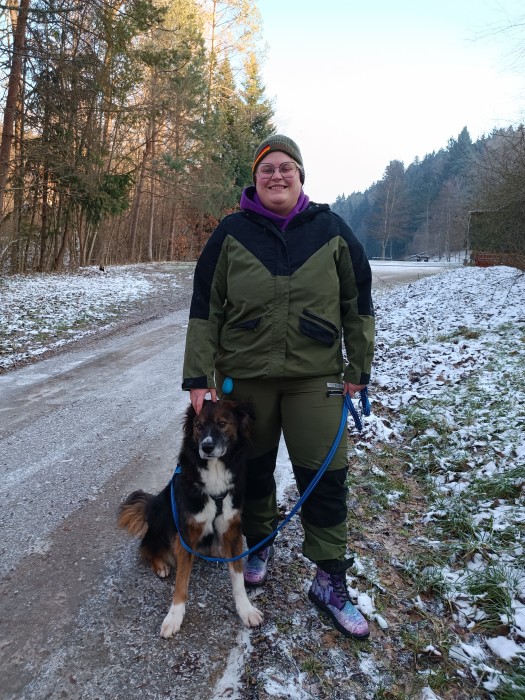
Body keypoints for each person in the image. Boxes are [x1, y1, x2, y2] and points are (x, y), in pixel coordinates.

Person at [181, 134, 375, 639]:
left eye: (287, 167)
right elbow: (205, 307)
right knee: (253, 468)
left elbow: (357, 302)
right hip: (245, 379)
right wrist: (198, 378)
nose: (277, 175)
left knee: (326, 475)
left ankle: (330, 578)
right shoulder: (232, 233)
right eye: (267, 169)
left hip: (317, 377)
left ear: (301, 175)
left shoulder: (332, 231)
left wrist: (358, 368)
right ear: (256, 179)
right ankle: (259, 545)